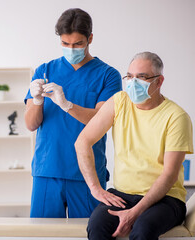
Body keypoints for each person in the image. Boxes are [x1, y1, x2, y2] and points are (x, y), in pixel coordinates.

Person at [75, 51, 194, 239]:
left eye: (142, 77)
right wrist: (95, 189)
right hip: (123, 194)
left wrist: (135, 212)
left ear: (159, 81)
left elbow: (170, 174)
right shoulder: (119, 102)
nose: (133, 82)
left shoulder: (176, 117)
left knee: (142, 229)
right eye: (129, 76)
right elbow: (82, 142)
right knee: (97, 227)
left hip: (166, 199)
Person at [24, 8, 122, 218]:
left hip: (87, 175)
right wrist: (37, 101)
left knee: (89, 233)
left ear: (90, 39)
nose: (71, 48)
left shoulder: (108, 75)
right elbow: (31, 124)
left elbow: (102, 119)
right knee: (43, 235)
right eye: (65, 43)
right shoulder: (44, 70)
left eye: (77, 44)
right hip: (48, 170)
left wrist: (67, 104)